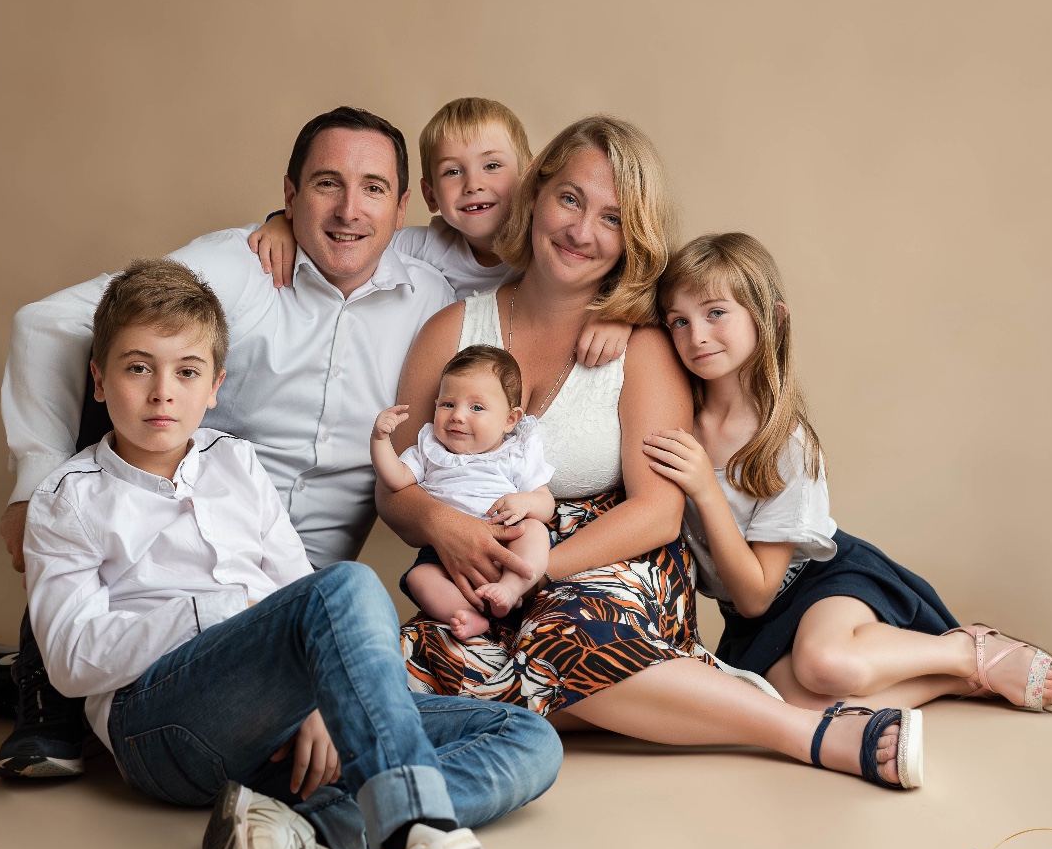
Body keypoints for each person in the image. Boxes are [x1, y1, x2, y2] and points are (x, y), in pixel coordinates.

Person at [24, 256, 559, 849]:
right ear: (98, 378)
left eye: (186, 371)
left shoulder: (235, 463)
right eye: (136, 368)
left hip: (276, 724)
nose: (162, 393)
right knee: (347, 585)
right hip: (160, 729)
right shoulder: (67, 498)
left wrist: (317, 700)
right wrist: (220, 611)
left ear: (215, 387)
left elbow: (288, 583)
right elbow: (67, 659)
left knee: (527, 740)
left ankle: (301, 834)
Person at [0, 107, 458, 779]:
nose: (348, 210)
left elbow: (513, 256)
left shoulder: (433, 296)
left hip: (295, 585)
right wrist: (36, 484)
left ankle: (34, 676)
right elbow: (48, 325)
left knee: (475, 720)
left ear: (403, 208)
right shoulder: (242, 265)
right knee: (137, 367)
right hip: (170, 557)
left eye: (372, 189)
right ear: (288, 193)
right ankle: (47, 691)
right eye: (324, 185)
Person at [389, 115, 925, 790]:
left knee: (563, 634)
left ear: (632, 238)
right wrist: (451, 530)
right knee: (413, 671)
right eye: (570, 199)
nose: (582, 231)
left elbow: (657, 512)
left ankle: (812, 732)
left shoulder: (642, 343)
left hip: (615, 562)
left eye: (613, 218)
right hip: (476, 565)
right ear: (536, 192)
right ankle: (679, 693)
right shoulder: (452, 330)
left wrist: (537, 568)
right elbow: (397, 487)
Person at [643, 232, 1052, 717]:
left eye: (715, 312)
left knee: (826, 664)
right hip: (749, 615)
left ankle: (963, 649)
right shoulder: (674, 419)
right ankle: (955, 681)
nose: (695, 335)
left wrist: (706, 488)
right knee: (788, 706)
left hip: (819, 581)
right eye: (678, 321)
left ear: (771, 318)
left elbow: (757, 595)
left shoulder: (786, 444)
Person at [250, 97, 635, 366]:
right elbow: (350, 236)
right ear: (430, 195)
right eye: (453, 171)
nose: (473, 184)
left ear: (531, 176)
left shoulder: (556, 247)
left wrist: (620, 316)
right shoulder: (422, 248)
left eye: (492, 166)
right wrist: (281, 222)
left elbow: (629, 276)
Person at [372, 345, 555, 640]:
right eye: (447, 404)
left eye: (477, 408)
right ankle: (466, 615)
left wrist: (525, 502)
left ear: (510, 419)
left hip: (506, 537)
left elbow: (545, 504)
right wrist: (380, 440)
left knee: (534, 530)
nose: (457, 416)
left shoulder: (516, 452)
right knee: (420, 577)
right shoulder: (430, 447)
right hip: (444, 549)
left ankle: (510, 588)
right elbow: (396, 479)